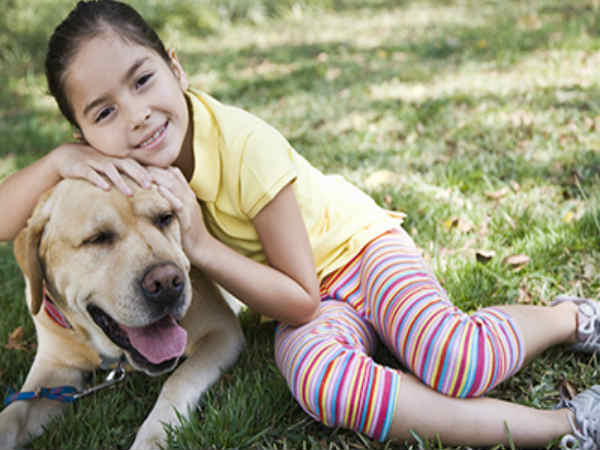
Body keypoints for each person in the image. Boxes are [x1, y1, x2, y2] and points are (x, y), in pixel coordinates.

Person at [1, 1, 599, 448]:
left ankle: (571, 316)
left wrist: (201, 245)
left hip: (356, 257)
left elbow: (302, 296)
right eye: (105, 111)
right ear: (84, 134)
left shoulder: (247, 147)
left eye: (144, 79)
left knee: (452, 357)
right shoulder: (105, 172)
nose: (136, 116)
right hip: (298, 302)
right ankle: (565, 426)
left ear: (176, 69)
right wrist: (54, 162)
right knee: (322, 387)